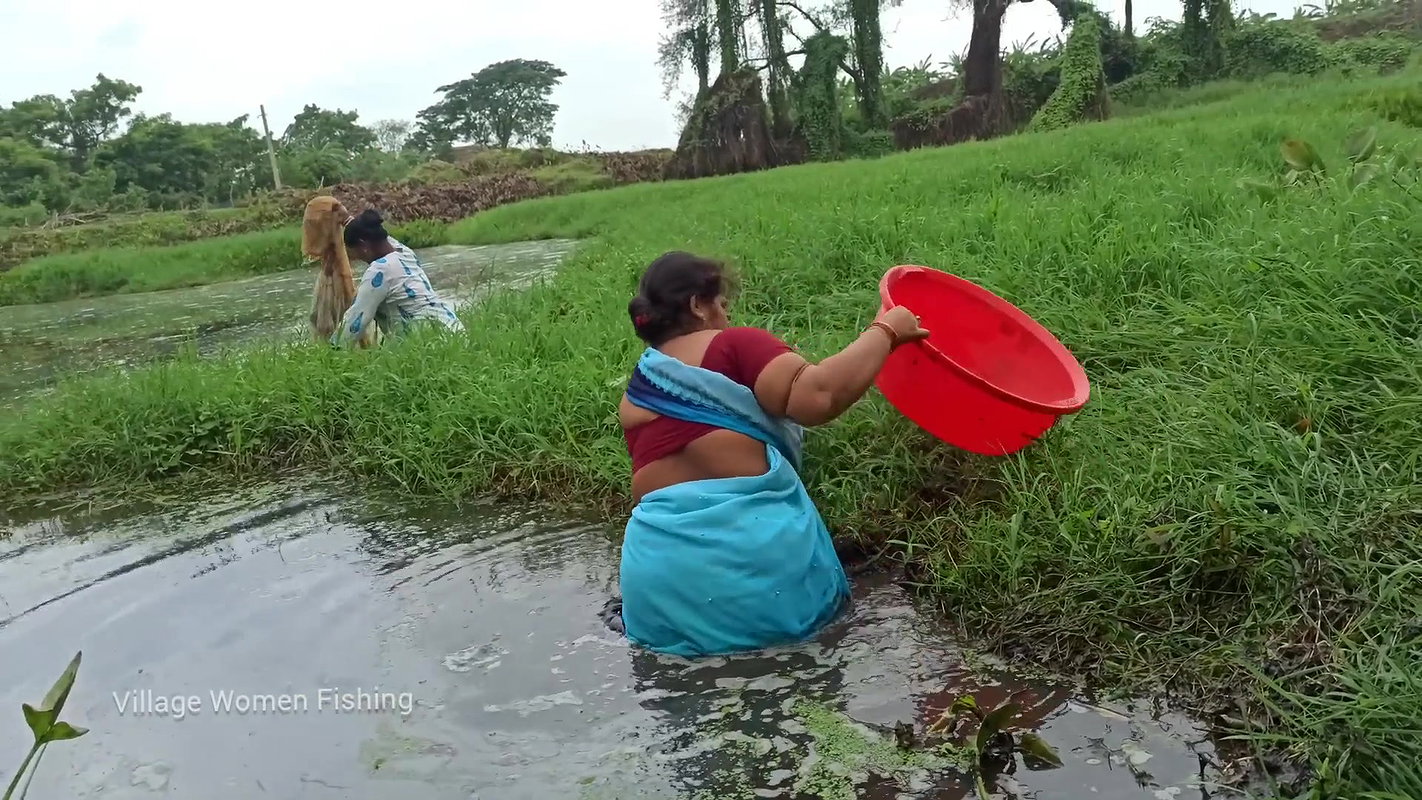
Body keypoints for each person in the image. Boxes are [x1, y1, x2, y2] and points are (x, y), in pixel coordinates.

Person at [615, 251, 930, 657]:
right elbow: (819, 395)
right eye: (722, 305)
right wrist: (887, 330)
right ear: (697, 305)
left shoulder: (639, 391)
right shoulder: (732, 346)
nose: (726, 318)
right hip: (755, 575)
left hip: (655, 587)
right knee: (804, 664)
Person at [333, 209, 464, 346]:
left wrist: (330, 352)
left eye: (357, 254)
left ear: (363, 245)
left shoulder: (379, 271)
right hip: (454, 331)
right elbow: (383, 237)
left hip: (432, 341)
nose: (360, 259)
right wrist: (351, 222)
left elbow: (355, 320)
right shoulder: (405, 253)